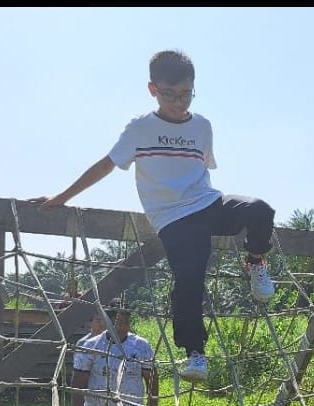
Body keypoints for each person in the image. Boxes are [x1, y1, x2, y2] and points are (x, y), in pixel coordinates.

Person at [32, 49, 276, 384]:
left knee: (260, 209)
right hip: (172, 219)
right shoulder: (140, 129)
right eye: (169, 94)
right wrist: (61, 197)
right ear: (153, 90)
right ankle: (195, 353)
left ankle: (256, 261)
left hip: (208, 203)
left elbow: (202, 168)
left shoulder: (203, 126)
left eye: (186, 94)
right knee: (190, 281)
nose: (179, 102)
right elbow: (106, 164)